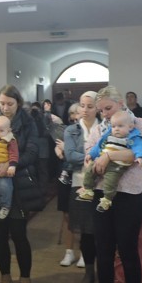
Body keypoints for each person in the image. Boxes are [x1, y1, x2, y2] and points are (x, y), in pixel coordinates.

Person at [89, 86, 142, 283]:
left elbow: (141, 153)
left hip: (129, 194)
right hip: (101, 192)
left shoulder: (139, 123)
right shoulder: (98, 129)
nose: (104, 114)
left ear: (121, 104)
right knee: (103, 249)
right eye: (101, 110)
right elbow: (89, 155)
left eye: (108, 108)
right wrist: (95, 159)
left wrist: (108, 156)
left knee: (127, 249)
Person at [0, 85, 40, 283]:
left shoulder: (27, 122)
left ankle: (25, 280)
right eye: (2, 103)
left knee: (18, 234)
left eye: (10, 104)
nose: (5, 108)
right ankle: (5, 279)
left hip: (19, 184)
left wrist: (11, 164)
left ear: (18, 103)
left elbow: (32, 152)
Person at [78, 110, 142, 212]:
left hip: (117, 165)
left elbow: (139, 148)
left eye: (120, 126)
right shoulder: (108, 135)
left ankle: (107, 199)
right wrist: (90, 155)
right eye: (113, 126)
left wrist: (140, 157)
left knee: (110, 180)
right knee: (90, 170)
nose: (116, 129)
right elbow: (99, 146)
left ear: (130, 127)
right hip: (101, 162)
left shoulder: (132, 137)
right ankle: (88, 190)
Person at [56, 102, 83, 269]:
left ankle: (85, 252)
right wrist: (61, 150)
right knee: (67, 215)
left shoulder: (88, 132)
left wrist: (67, 150)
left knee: (83, 216)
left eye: (76, 113)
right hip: (66, 175)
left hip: (81, 175)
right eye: (71, 114)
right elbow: (59, 150)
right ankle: (69, 251)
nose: (74, 117)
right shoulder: (66, 130)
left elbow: (81, 154)